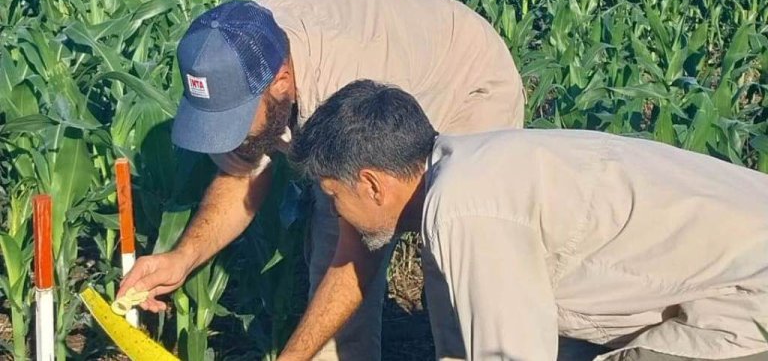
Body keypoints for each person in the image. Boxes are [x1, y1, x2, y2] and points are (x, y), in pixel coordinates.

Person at [118, 0, 525, 360]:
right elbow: (241, 174)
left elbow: (357, 252)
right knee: (329, 244)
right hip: (364, 86)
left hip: (464, 83)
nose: (230, 139)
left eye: (235, 123)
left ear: (281, 83)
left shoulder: (342, 86)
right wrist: (183, 257)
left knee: (453, 256)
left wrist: (292, 356)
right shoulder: (232, 52)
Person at [287, 79, 768, 361]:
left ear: (372, 184)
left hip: (747, 300)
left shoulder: (465, 208)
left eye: (333, 196)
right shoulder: (464, 168)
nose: (336, 213)